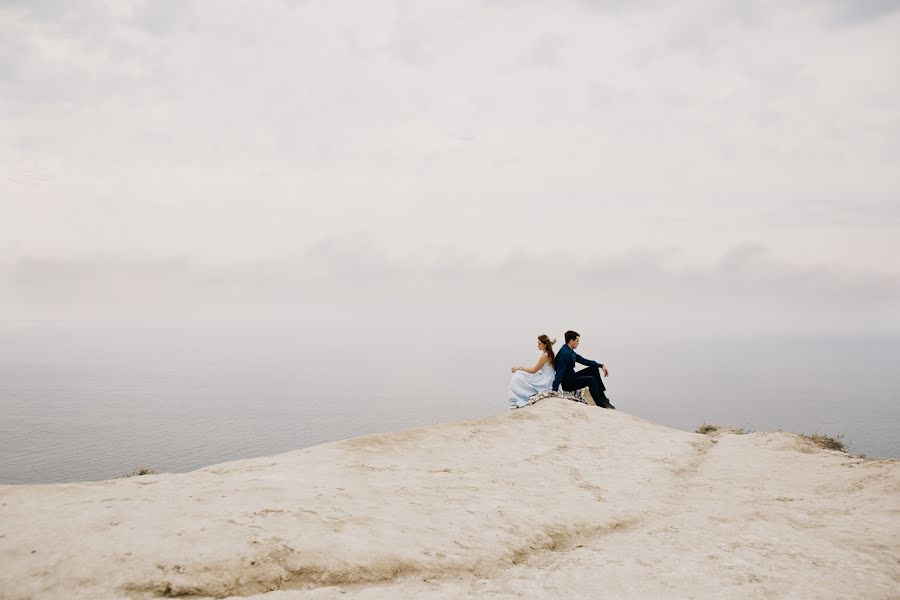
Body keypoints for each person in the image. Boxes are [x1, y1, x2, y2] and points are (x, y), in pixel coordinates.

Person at [552, 330, 615, 409]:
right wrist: (554, 391)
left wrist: (601, 365)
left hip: (572, 377)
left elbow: (584, 361)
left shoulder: (569, 351)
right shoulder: (565, 353)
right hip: (568, 383)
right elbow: (559, 372)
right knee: (590, 379)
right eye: (577, 341)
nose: (578, 343)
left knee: (593, 369)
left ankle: (604, 400)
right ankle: (601, 404)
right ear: (571, 341)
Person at [507, 335, 557, 409]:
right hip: (549, 377)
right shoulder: (549, 353)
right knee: (521, 374)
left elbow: (533, 370)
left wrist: (519, 368)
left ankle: (520, 399)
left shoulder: (545, 356)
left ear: (545, 345)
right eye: (538, 343)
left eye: (539, 344)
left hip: (546, 380)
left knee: (517, 376)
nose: (537, 345)